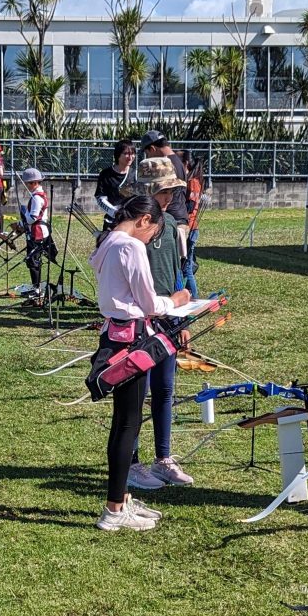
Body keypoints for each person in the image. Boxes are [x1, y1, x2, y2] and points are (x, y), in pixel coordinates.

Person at [89, 194, 192, 532]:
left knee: (124, 423)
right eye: (152, 235)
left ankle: (119, 500)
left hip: (115, 336)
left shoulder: (108, 241)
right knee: (128, 425)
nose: (150, 242)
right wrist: (175, 300)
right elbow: (148, 301)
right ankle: (114, 508)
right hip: (132, 339)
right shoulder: (130, 246)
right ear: (145, 220)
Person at [122, 158, 196, 492]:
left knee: (165, 389)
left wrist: (182, 318)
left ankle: (163, 459)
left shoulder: (171, 225)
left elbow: (180, 273)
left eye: (171, 190)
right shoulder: (131, 228)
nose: (170, 197)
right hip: (139, 320)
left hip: (168, 316)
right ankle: (132, 462)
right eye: (165, 190)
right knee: (138, 393)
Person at [141, 130, 204, 294]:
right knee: (181, 268)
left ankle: (186, 302)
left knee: (178, 270)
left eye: (147, 152)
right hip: (178, 219)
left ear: (152, 148)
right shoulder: (176, 159)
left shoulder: (167, 163)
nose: (148, 157)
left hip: (173, 221)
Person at [19, 167, 57, 300]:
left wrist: (24, 216)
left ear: (34, 182)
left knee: (33, 260)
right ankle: (37, 287)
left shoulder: (36, 198)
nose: (26, 186)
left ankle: (37, 289)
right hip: (37, 231)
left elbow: (33, 218)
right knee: (33, 260)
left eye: (27, 183)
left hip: (38, 232)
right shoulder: (38, 195)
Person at [95, 139, 135, 216]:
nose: (130, 157)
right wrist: (114, 212)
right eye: (126, 153)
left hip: (131, 219)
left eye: (132, 153)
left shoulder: (136, 174)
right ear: (118, 155)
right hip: (112, 220)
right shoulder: (105, 174)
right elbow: (100, 198)